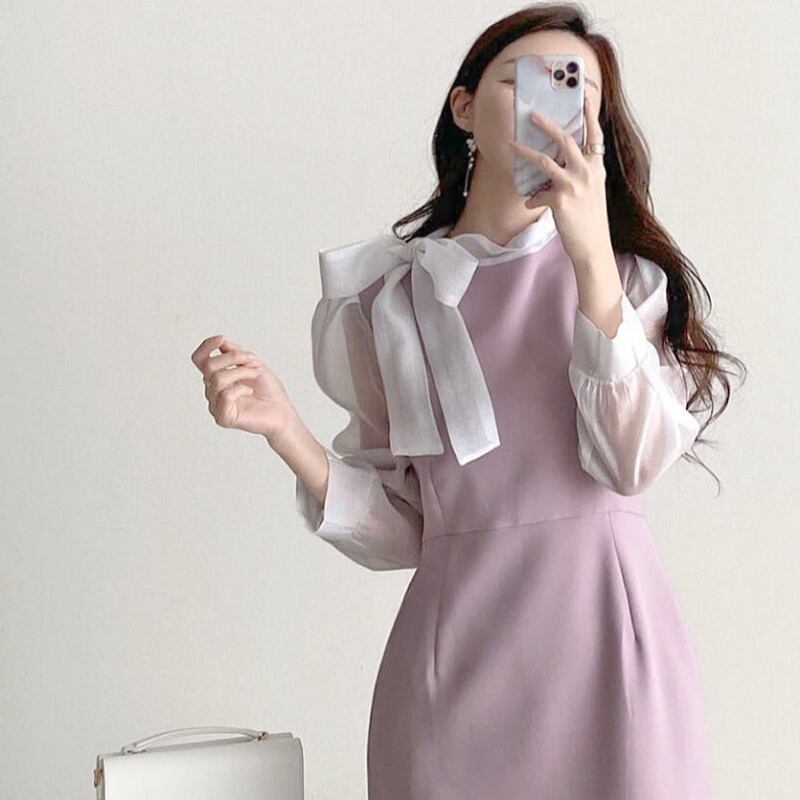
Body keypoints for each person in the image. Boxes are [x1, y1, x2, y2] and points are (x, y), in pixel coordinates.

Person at [190, 4, 743, 798]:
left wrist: (590, 257)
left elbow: (628, 464)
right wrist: (287, 431)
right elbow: (410, 528)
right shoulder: (390, 298)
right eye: (525, 81)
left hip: (610, 660)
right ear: (464, 107)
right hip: (452, 670)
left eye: (575, 91)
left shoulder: (629, 284)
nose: (548, 105)